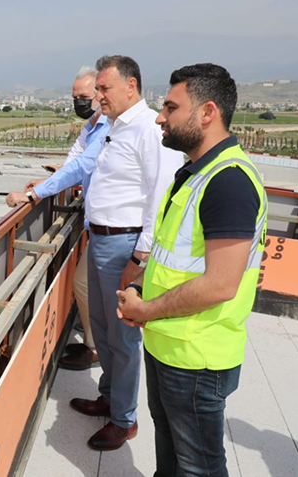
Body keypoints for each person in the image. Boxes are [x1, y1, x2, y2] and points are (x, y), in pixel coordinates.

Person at [116, 63, 267, 476]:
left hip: (197, 358)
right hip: (167, 345)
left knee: (198, 465)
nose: (160, 118)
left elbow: (220, 284)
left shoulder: (228, 182)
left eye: (170, 107)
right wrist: (140, 288)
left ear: (207, 112)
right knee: (171, 454)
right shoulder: (193, 174)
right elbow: (170, 255)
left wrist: (146, 310)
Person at [69, 55, 184, 451]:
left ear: (131, 86)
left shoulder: (148, 129)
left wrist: (139, 257)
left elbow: (160, 195)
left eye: (104, 88)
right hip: (101, 239)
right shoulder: (116, 127)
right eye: (98, 89)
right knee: (102, 328)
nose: (98, 96)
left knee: (122, 336)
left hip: (125, 244)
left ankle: (124, 419)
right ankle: (109, 397)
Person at [6, 65, 109, 370]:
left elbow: (82, 166)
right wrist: (49, 181)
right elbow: (73, 161)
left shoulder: (107, 127)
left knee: (87, 285)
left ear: (100, 94)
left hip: (114, 226)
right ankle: (97, 338)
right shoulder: (91, 126)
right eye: (75, 97)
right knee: (91, 285)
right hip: (100, 221)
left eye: (84, 96)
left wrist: (33, 195)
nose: (79, 102)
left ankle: (96, 347)